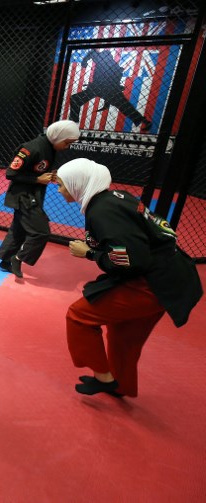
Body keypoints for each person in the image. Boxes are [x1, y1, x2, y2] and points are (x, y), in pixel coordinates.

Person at [55, 158, 202, 398]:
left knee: (79, 315)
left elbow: (132, 259)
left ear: (78, 183)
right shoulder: (117, 197)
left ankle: (104, 378)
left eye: (62, 184)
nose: (60, 190)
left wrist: (90, 253)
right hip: (173, 276)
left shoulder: (102, 211)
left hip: (154, 283)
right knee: (124, 336)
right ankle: (121, 385)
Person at [0, 120, 80, 278]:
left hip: (33, 195)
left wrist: (48, 175)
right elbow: (10, 173)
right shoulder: (31, 148)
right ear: (58, 137)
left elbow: (37, 169)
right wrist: (37, 179)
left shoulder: (50, 147)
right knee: (41, 232)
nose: (67, 147)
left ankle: (5, 262)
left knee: (19, 230)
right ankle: (17, 258)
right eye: (67, 142)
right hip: (23, 196)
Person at [69, 49, 152, 132]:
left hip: (109, 90)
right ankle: (73, 123)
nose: (97, 59)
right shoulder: (103, 62)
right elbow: (92, 53)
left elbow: (112, 83)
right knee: (75, 99)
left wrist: (107, 102)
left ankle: (143, 121)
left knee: (125, 106)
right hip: (98, 89)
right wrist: (85, 61)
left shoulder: (113, 67)